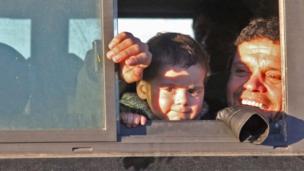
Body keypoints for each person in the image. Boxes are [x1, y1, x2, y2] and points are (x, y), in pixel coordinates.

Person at [107, 17, 281, 126]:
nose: (251, 85)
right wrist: (115, 76)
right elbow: (88, 117)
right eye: (241, 71)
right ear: (143, 90)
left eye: (273, 76)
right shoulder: (124, 113)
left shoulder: (215, 116)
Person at [118, 32, 209, 127]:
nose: (183, 100)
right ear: (143, 90)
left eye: (192, 91)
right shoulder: (125, 110)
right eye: (169, 89)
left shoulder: (212, 115)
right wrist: (123, 119)